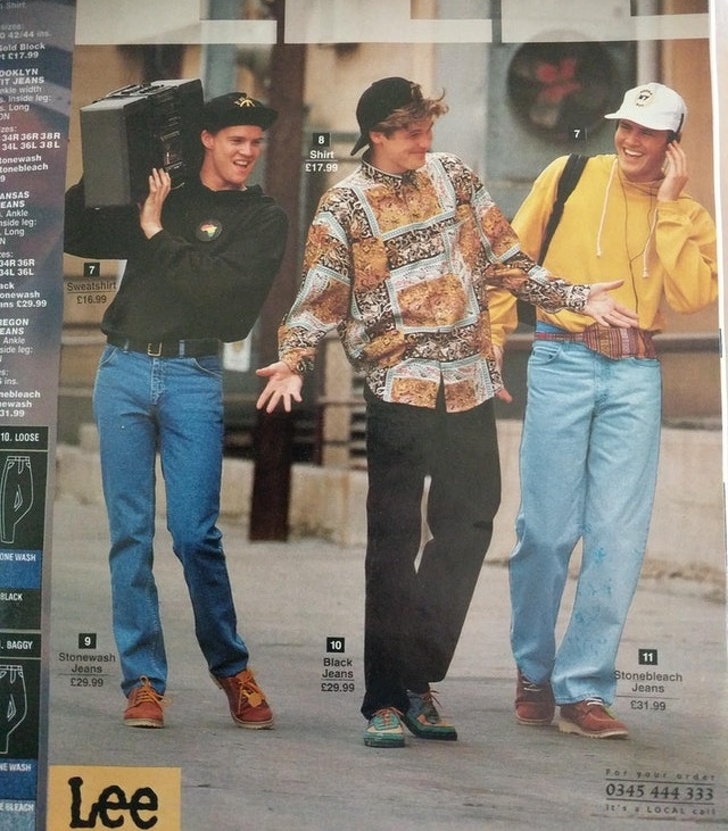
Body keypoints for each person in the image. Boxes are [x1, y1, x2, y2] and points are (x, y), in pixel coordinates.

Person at [255, 76, 636, 748]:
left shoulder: (455, 176)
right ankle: (385, 699)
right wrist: (293, 359)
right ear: (376, 134)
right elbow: (320, 296)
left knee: (472, 520)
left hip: (466, 382)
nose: (425, 141)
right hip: (398, 385)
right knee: (393, 540)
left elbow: (505, 260)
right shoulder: (343, 205)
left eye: (428, 127)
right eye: (411, 131)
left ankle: (416, 673)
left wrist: (576, 297)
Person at [488, 82, 718, 739]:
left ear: (671, 144)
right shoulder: (568, 175)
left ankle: (584, 688)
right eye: (625, 126)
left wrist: (668, 209)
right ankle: (534, 670)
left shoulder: (689, 214)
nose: (630, 140)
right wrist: (494, 341)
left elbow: (694, 295)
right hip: (561, 360)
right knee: (547, 531)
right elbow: (508, 260)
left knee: (618, 537)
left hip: (636, 375)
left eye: (647, 132)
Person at [64, 91, 288, 729]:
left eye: (255, 142)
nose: (247, 152)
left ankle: (232, 668)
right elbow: (79, 233)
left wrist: (156, 232)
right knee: (130, 534)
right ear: (207, 139)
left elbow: (224, 304)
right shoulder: (164, 190)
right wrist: (113, 160)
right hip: (124, 370)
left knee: (194, 534)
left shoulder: (262, 218)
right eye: (236, 139)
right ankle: (143, 682)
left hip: (194, 375)